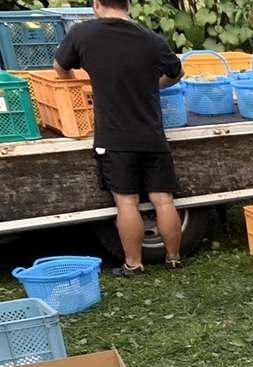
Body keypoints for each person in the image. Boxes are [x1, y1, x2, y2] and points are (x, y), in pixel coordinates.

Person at [54, 0, 185, 278]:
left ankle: (134, 265)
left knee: (126, 203)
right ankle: (174, 259)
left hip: (114, 137)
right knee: (164, 201)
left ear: (96, 4)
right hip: (152, 135)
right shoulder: (151, 39)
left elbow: (60, 68)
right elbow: (176, 73)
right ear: (127, 5)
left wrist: (78, 84)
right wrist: (155, 85)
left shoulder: (82, 34)